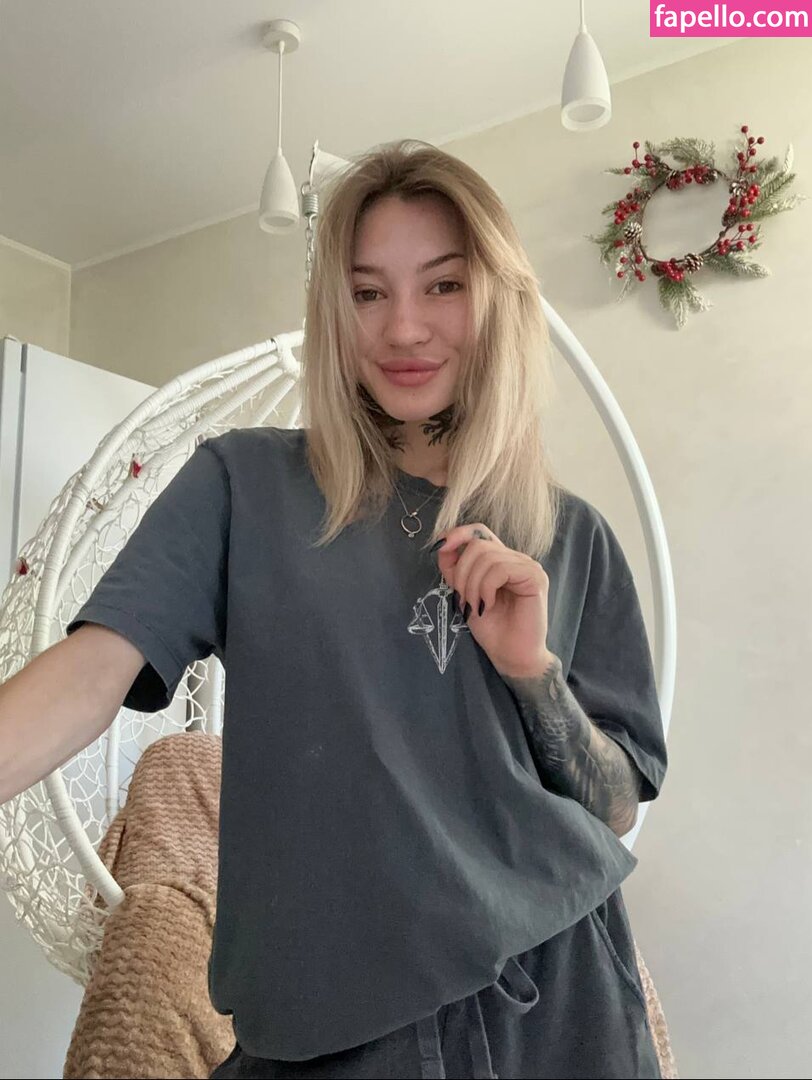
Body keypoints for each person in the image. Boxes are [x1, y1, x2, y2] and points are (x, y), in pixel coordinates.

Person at [0, 139, 668, 1079]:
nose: (403, 328)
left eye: (443, 285)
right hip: (323, 1019)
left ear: (498, 301)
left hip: (559, 1000)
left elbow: (617, 809)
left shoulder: (573, 536)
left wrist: (533, 674)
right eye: (367, 292)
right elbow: (90, 674)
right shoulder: (241, 486)